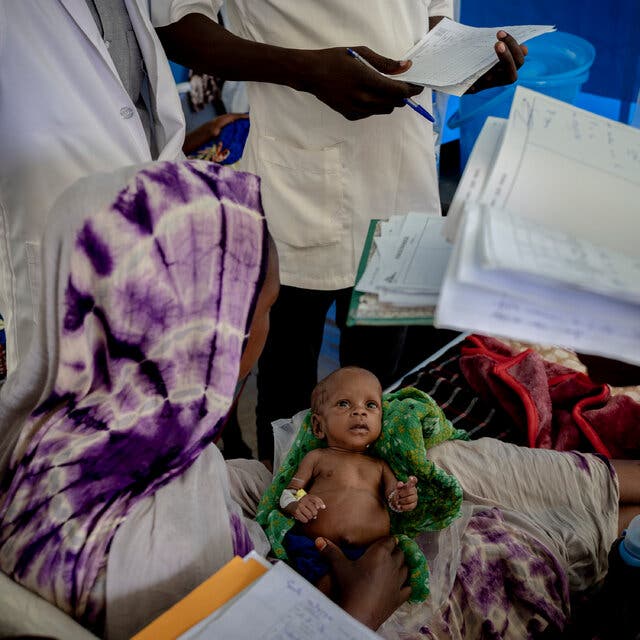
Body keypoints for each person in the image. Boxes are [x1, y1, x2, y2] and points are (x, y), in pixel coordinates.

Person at [1, 1, 527, 385]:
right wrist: (305, 71)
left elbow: (427, 16)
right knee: (288, 382)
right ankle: (282, 521)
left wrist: (469, 61)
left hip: (407, 169)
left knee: (382, 381)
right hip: (302, 177)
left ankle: (364, 514)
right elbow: (180, 23)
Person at [0, 161, 411, 638]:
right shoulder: (157, 544)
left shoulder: (44, 439)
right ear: (211, 338)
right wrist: (358, 614)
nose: (266, 332)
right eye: (265, 311)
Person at [277, 367, 419, 592]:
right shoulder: (317, 458)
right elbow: (287, 493)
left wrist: (403, 497)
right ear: (318, 426)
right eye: (344, 403)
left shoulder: (380, 466)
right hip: (317, 548)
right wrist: (297, 504)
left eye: (370, 405)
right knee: (320, 590)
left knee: (375, 583)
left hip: (370, 555)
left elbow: (395, 501)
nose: (359, 412)